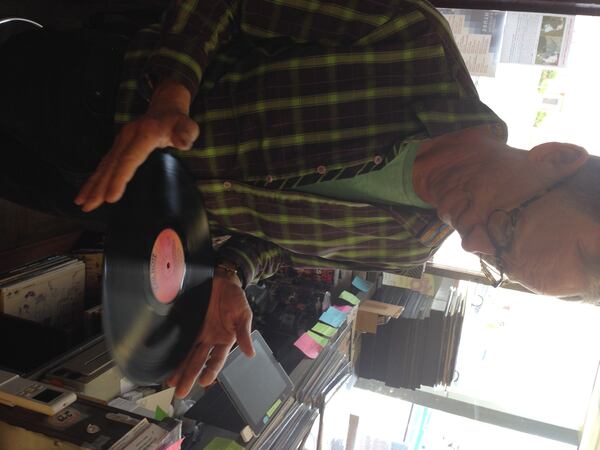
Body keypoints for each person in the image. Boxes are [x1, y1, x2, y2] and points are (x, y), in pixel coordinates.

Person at [1, 0, 598, 399]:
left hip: (111, 205)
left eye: (496, 260)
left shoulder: (406, 244)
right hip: (92, 91)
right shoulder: (411, 43)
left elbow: (279, 243)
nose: (473, 241)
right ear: (557, 157)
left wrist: (232, 271)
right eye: (508, 228)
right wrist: (173, 97)